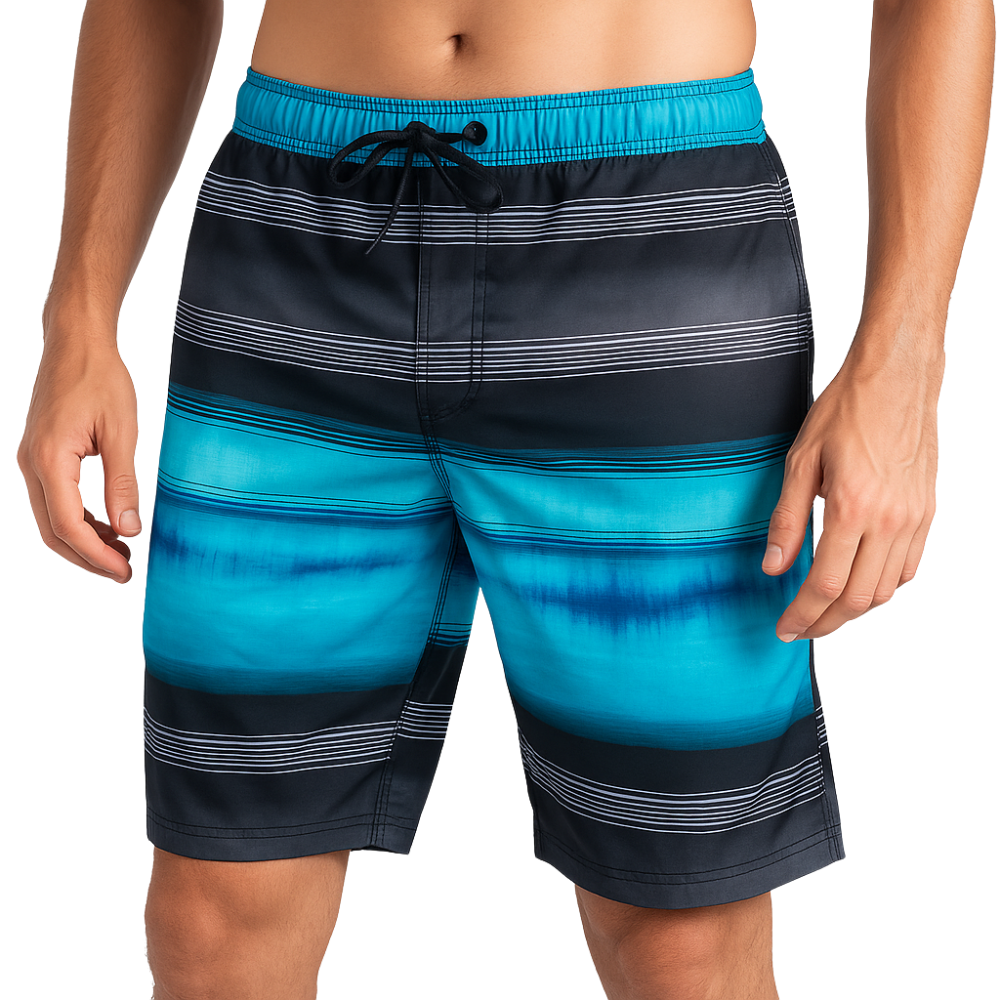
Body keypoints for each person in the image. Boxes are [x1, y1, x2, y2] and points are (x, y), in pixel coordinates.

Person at [15, 1, 993, 998]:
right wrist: (78, 316)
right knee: (212, 916)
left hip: (648, 253)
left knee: (680, 931)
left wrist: (905, 362)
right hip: (290, 246)